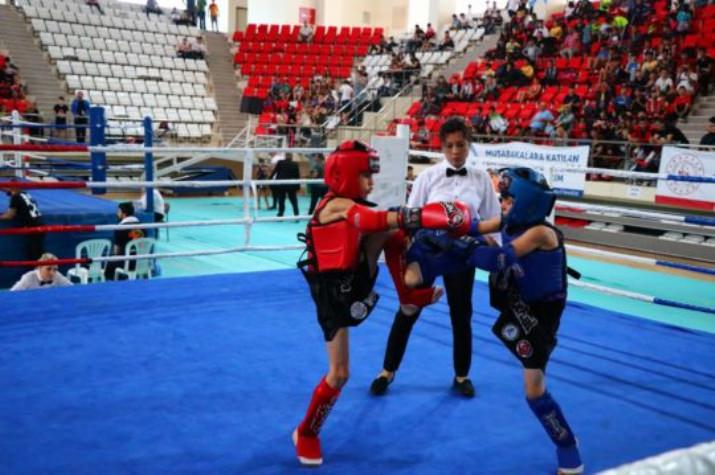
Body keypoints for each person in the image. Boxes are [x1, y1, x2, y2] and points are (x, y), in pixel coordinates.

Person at [293, 140, 473, 466]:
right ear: (346, 174)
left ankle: (410, 295)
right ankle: (306, 433)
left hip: (356, 284)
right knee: (340, 373)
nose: (371, 183)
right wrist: (426, 215)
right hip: (332, 294)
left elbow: (385, 234)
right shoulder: (334, 206)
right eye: (365, 176)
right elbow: (367, 220)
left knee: (394, 234)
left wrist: (411, 293)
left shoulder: (355, 204)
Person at [405, 167, 584, 475]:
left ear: (527, 202)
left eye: (508, 199)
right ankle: (420, 271)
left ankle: (569, 449)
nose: (501, 204)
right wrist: (436, 227)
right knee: (468, 246)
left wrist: (453, 243)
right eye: (503, 198)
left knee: (534, 392)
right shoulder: (509, 221)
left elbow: (497, 260)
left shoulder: (541, 233)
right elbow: (474, 227)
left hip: (540, 316)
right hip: (520, 303)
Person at [370, 117, 501, 398]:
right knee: (408, 308)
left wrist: (495, 255)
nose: (455, 151)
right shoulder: (428, 177)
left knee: (461, 314)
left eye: (461, 145)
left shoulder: (481, 179)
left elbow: (492, 218)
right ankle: (387, 371)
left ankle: (462, 375)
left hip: (463, 253)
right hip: (427, 251)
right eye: (450, 146)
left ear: (469, 145)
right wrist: (407, 248)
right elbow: (411, 215)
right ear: (442, 147)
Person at [1, 186, 44, 260]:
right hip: (40, 225)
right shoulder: (25, 194)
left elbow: (9, 216)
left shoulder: (15, 197)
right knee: (38, 251)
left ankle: (39, 269)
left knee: (35, 254)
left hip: (33, 227)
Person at [104, 202, 143, 281]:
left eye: (118, 211)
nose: (117, 213)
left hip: (127, 263)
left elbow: (116, 252)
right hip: (142, 262)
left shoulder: (120, 228)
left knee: (109, 264)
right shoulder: (143, 227)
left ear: (124, 213)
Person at [270, 153, 300, 217]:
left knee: (281, 199)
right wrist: (298, 186)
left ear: (285, 157)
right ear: (291, 157)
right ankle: (296, 214)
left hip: (282, 184)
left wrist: (270, 178)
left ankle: (280, 214)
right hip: (291, 184)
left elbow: (275, 171)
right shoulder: (295, 164)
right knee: (293, 200)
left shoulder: (280, 162)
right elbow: (297, 175)